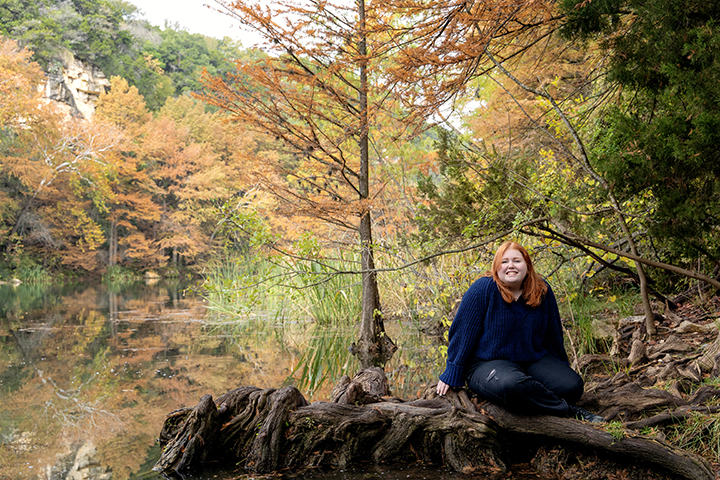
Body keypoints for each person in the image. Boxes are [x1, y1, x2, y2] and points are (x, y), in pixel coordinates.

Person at [436, 241, 604, 423]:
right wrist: (452, 372)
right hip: (486, 363)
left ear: (527, 265)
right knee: (511, 385)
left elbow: (553, 335)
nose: (511, 266)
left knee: (571, 386)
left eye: (517, 261)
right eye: (504, 261)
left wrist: (560, 367)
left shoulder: (542, 290)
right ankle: (569, 411)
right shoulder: (483, 289)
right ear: (496, 266)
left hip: (531, 360)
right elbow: (462, 334)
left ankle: (531, 393)